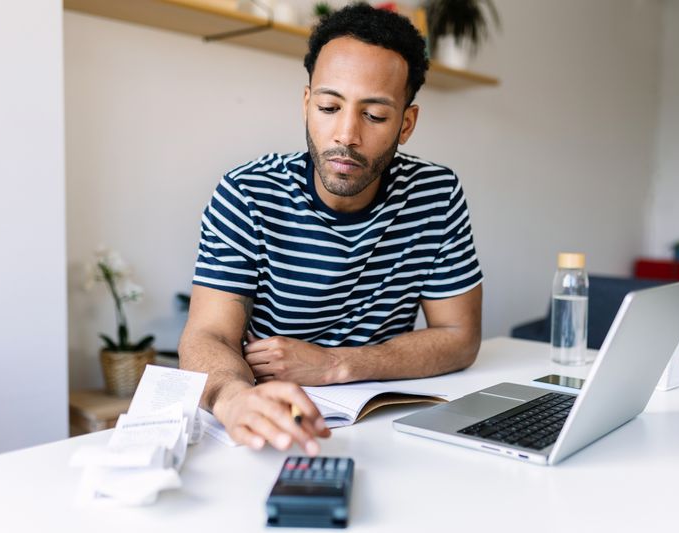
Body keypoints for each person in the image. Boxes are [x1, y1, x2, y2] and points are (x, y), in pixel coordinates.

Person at [179, 3, 483, 456]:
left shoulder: (436, 193)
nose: (346, 134)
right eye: (328, 106)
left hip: (385, 424)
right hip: (271, 425)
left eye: (375, 116)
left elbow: (460, 338)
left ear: (407, 123)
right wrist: (234, 397)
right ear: (306, 104)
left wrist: (334, 365)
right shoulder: (246, 193)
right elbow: (209, 335)